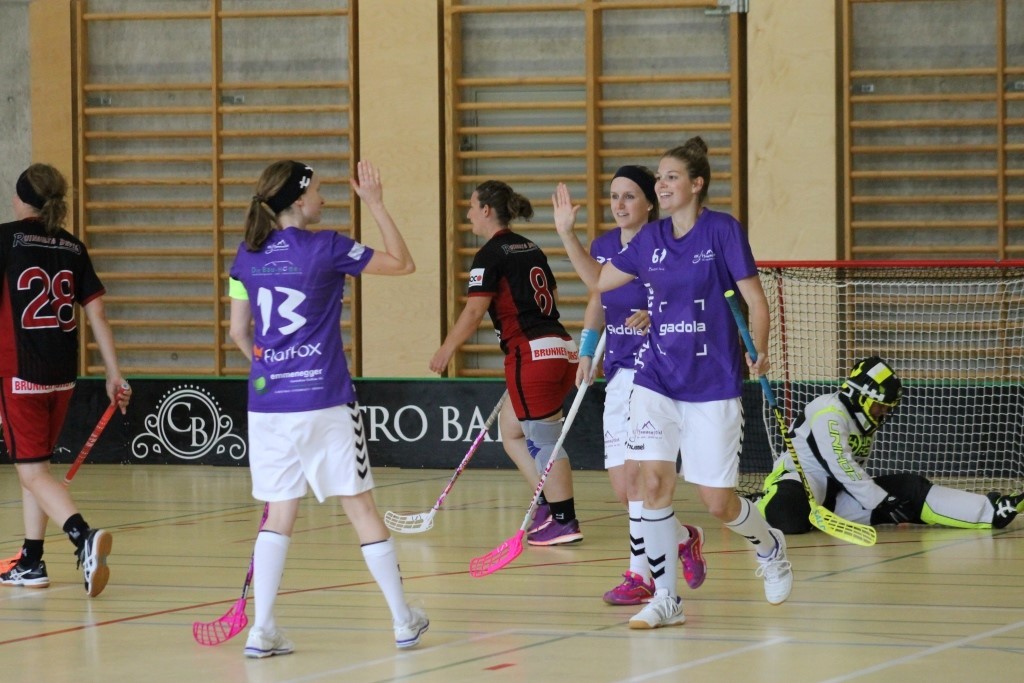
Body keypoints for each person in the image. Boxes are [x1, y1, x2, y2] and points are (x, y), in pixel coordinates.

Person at [553, 136, 793, 629]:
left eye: (671, 177)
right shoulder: (650, 239)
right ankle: (666, 597)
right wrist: (567, 236)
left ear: (696, 184)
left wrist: (760, 347)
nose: (661, 185)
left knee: (717, 502)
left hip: (712, 382)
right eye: (659, 178)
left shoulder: (722, 231)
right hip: (656, 377)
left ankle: (769, 545)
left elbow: (756, 301)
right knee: (652, 483)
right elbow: (598, 283)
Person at [228, 159, 428, 658]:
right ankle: (403, 620)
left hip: (268, 404)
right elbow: (402, 263)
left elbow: (237, 332)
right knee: (360, 507)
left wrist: (270, 368)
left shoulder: (246, 255)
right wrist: (376, 204)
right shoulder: (327, 246)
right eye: (318, 190)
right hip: (325, 400)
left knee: (279, 514)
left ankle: (262, 630)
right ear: (298, 200)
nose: (323, 198)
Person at [570, 165, 707, 605]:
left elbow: (688, 295)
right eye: (614, 196)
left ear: (650, 202)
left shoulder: (665, 244)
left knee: (637, 479)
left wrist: (658, 311)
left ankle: (639, 575)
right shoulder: (604, 247)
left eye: (629, 196)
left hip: (654, 370)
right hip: (616, 370)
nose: (620, 204)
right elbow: (598, 298)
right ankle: (682, 537)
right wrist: (587, 349)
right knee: (624, 489)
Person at [0, 163, 130, 596]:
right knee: (36, 469)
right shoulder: (73, 246)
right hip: (62, 377)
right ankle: (31, 562)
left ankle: (82, 537)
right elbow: (98, 314)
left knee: (32, 472)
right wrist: (114, 373)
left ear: (20, 199)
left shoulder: (6, 239)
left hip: (19, 374)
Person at [429, 180, 583, 546]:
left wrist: (447, 348)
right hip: (562, 348)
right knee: (511, 429)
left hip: (531, 354)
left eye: (472, 206)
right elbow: (552, 296)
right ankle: (546, 504)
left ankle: (565, 520)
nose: (468, 213)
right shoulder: (530, 247)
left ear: (486, 210)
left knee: (544, 440)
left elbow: (474, 311)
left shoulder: (490, 254)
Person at [756, 356, 1024, 533]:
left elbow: (847, 478)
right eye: (879, 406)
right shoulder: (829, 413)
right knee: (787, 511)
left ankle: (991, 510)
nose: (882, 413)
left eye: (887, 408)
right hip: (802, 481)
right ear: (861, 397)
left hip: (836, 500)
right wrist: (880, 501)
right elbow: (841, 464)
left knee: (910, 489)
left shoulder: (863, 419)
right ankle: (759, 504)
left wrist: (886, 501)